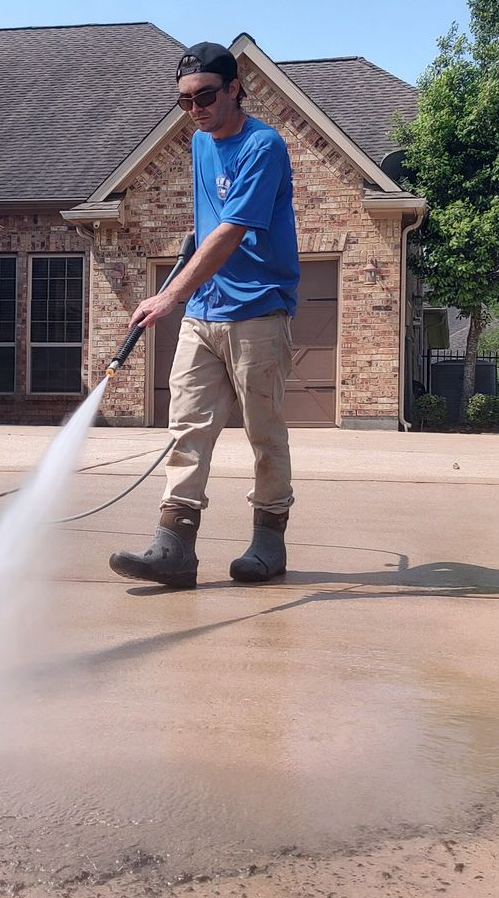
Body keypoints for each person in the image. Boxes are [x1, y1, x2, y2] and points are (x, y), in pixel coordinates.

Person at [109, 41, 301, 590]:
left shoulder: (264, 145)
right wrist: (185, 283)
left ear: (236, 87)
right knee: (186, 428)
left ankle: (269, 539)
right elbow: (206, 225)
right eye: (184, 101)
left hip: (259, 308)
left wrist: (167, 297)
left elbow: (231, 231)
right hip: (205, 309)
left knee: (264, 433)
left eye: (206, 96)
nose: (195, 109)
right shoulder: (198, 143)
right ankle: (174, 547)